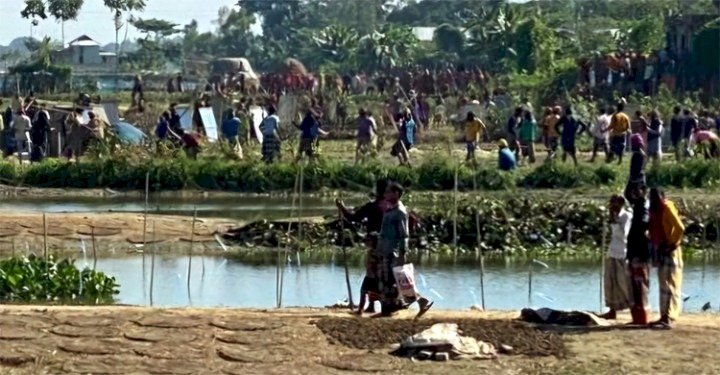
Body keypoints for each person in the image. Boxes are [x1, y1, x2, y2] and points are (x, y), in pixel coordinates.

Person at [375, 182, 432, 317]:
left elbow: (403, 235)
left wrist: (402, 254)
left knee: (396, 280)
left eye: (388, 192)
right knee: (393, 280)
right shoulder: (391, 210)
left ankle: (395, 306)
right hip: (386, 250)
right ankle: (394, 306)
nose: (385, 195)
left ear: (396, 194)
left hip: (392, 251)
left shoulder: (399, 212)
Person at [648, 188, 685, 329]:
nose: (653, 199)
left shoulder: (667, 207)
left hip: (670, 250)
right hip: (661, 250)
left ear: (662, 196)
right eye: (651, 197)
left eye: (656, 196)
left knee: (671, 284)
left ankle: (670, 317)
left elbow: (679, 227)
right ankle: (664, 315)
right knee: (663, 285)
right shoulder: (655, 211)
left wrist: (673, 243)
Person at [601, 194, 633, 320]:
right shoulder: (614, 216)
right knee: (610, 282)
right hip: (612, 252)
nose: (611, 206)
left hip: (622, 253)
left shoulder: (626, 216)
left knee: (623, 283)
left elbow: (624, 235)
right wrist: (612, 219)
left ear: (620, 203)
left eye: (614, 203)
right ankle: (612, 310)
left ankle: (633, 310)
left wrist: (614, 222)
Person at [625, 182, 650, 325]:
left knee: (640, 286)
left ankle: (642, 318)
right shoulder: (638, 206)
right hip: (636, 251)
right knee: (635, 286)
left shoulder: (643, 207)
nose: (633, 193)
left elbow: (641, 230)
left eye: (636, 190)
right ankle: (637, 317)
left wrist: (635, 254)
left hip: (639, 252)